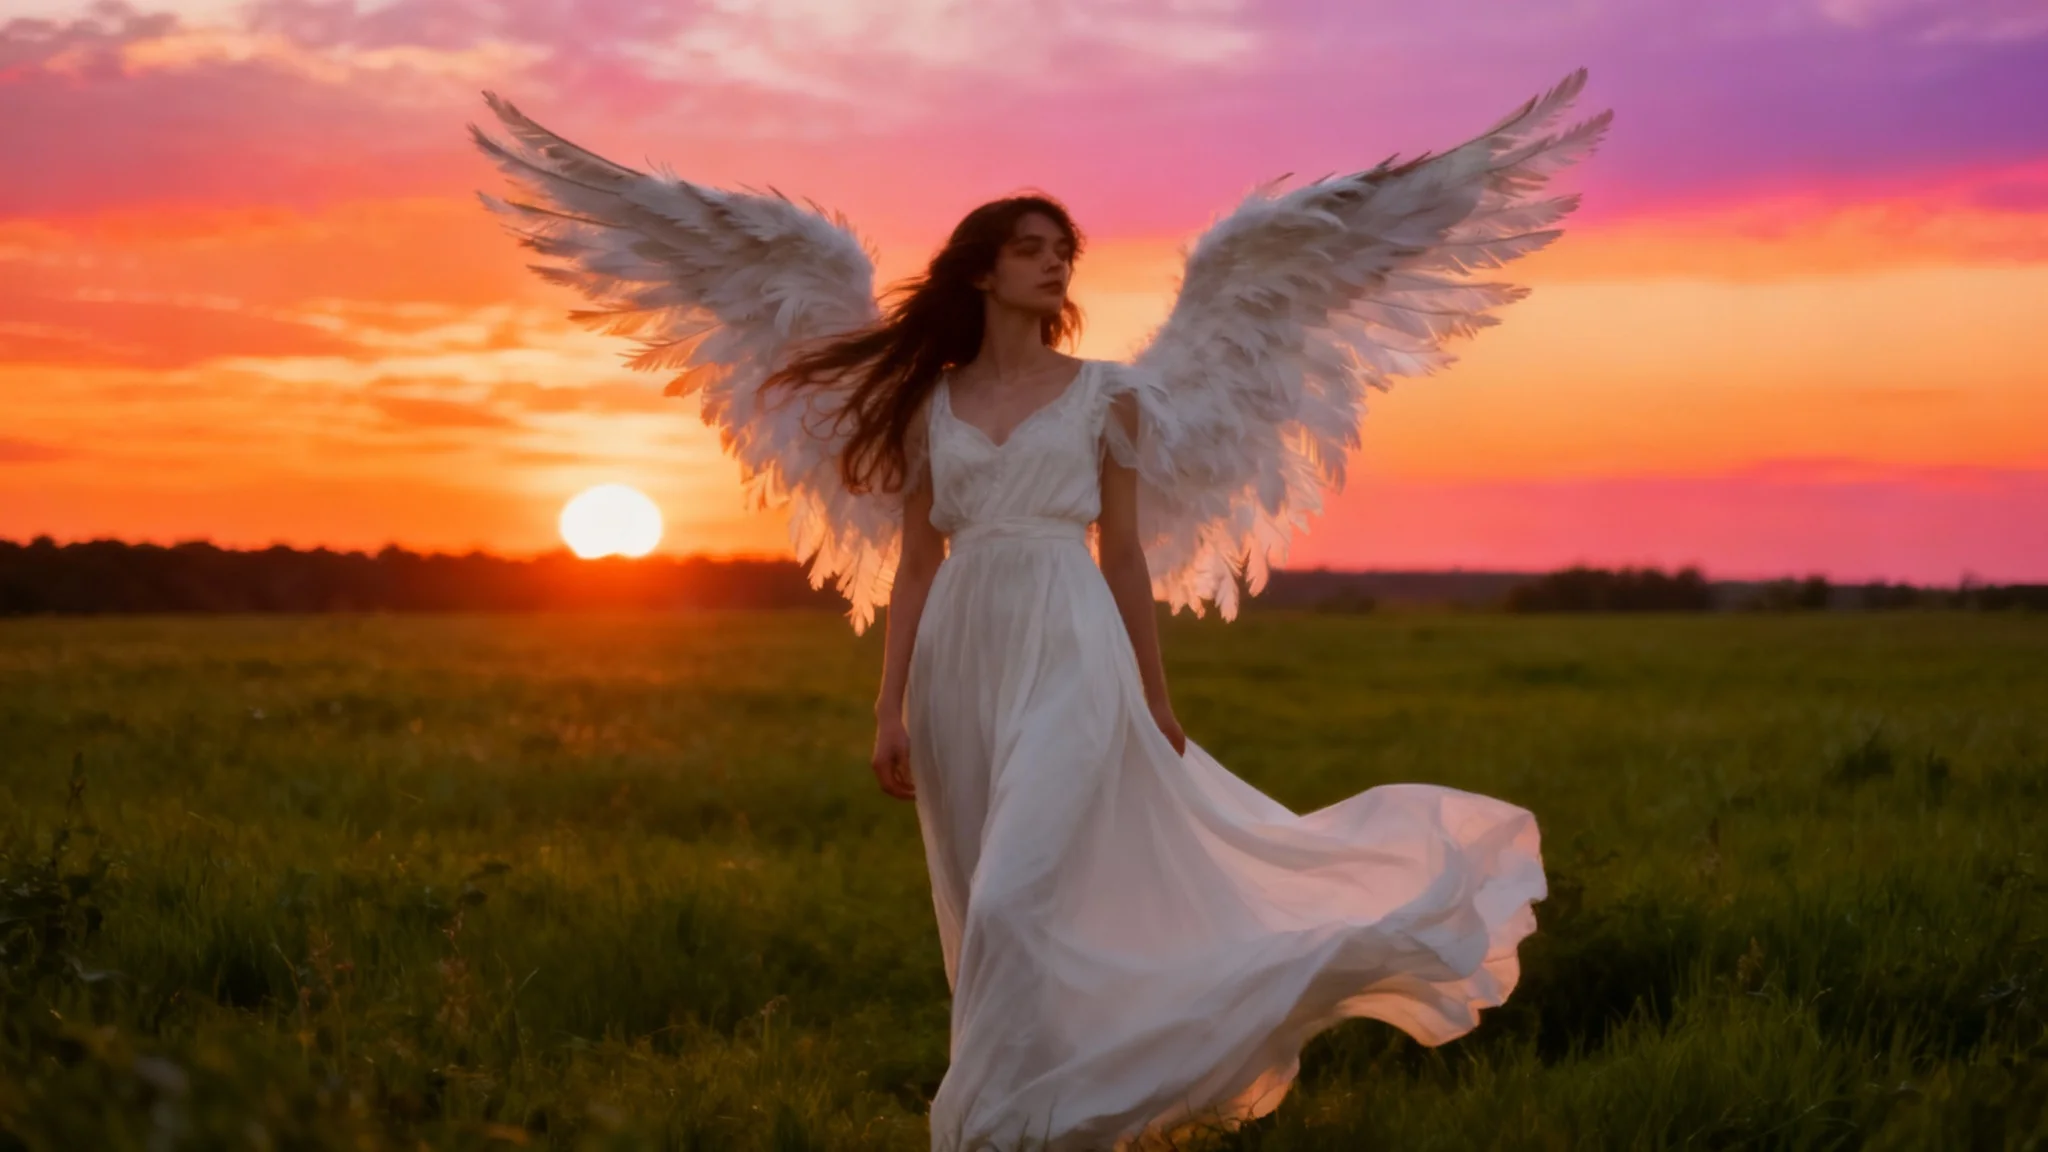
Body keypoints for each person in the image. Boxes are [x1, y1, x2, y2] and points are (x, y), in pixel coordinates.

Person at [472, 69, 1609, 1151]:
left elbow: (1124, 561)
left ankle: (990, 1130)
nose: (1053, 266)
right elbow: (914, 564)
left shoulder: (1110, 394)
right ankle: (1032, 1119)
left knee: (1017, 901)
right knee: (981, 916)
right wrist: (886, 709)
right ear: (980, 270)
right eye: (1031, 250)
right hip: (961, 653)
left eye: (1062, 252)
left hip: (1071, 642)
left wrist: (1153, 700)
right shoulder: (925, 405)